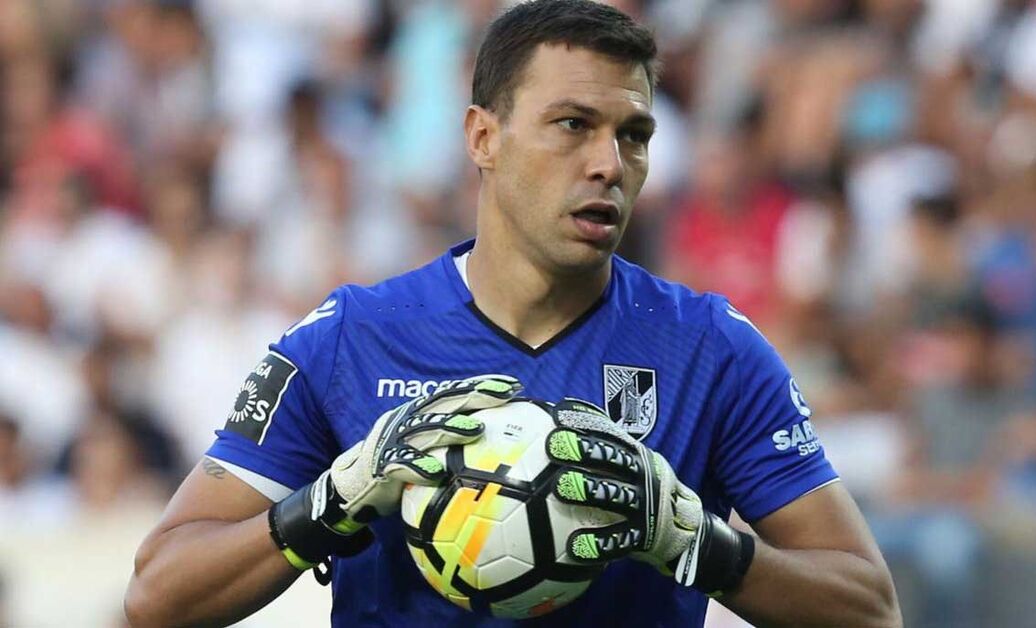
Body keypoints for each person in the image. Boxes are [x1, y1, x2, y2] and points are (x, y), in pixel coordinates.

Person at [123, 1, 900, 626]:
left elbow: (869, 606)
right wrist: (328, 504)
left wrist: (694, 542)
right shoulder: (349, 338)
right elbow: (158, 594)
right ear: (483, 136)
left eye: (634, 136)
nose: (609, 164)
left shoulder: (710, 349)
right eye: (573, 125)